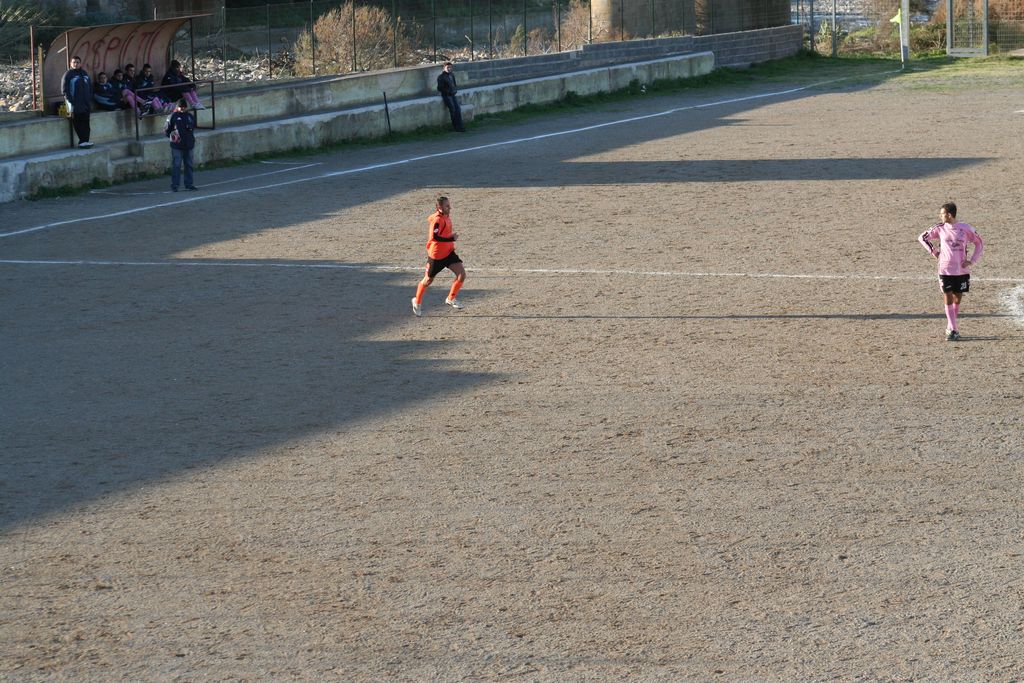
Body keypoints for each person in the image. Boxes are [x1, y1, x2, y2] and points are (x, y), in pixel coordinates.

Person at [919, 201, 984, 341]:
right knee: (947, 295)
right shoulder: (940, 228)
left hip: (961, 270)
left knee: (957, 297)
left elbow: (979, 243)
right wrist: (934, 252)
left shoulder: (965, 228)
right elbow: (922, 238)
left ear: (949, 215)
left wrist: (972, 261)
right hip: (945, 269)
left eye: (942, 214)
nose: (940, 216)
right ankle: (954, 329)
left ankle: (950, 327)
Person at [411, 194, 466, 316]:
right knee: (428, 280)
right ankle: (417, 301)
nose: (450, 208)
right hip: (436, 256)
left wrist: (450, 240)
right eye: (447, 206)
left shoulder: (446, 216)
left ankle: (451, 298)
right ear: (439, 207)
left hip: (448, 253)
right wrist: (451, 239)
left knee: (461, 275)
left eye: (449, 205)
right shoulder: (437, 220)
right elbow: (435, 237)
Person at [163, 98, 198, 192]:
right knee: (177, 165)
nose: (182, 108)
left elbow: (193, 127)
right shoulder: (172, 116)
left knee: (189, 165)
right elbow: (166, 130)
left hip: (188, 144)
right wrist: (173, 136)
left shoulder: (190, 116)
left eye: (184, 107)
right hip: (177, 145)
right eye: (181, 107)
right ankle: (175, 185)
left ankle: (189, 184)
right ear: (177, 107)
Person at [61, 55, 93, 148]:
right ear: (70, 64)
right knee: (78, 122)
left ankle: (86, 141)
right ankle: (82, 141)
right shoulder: (68, 74)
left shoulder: (84, 73)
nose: (76, 64)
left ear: (80, 63)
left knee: (86, 123)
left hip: (86, 103)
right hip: (75, 103)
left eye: (77, 62)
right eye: (74, 62)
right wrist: (70, 101)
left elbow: (90, 87)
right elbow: (64, 90)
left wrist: (89, 98)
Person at [436, 62, 465, 133]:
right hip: (446, 95)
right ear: (444, 68)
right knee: (453, 110)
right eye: (447, 67)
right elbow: (439, 88)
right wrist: (447, 91)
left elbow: (454, 84)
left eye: (450, 67)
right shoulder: (441, 77)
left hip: (453, 95)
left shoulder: (452, 75)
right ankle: (456, 127)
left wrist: (454, 90)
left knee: (458, 109)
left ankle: (460, 126)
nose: (449, 69)